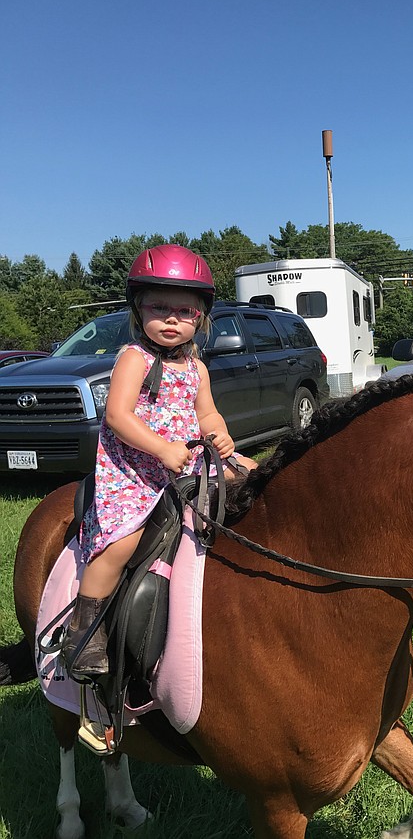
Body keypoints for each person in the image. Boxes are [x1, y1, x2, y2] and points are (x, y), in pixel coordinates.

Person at [62, 244, 256, 680]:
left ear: (200, 318)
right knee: (122, 542)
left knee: (254, 477)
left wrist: (219, 434)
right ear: (138, 309)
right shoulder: (134, 358)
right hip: (134, 469)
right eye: (160, 307)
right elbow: (117, 414)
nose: (172, 318)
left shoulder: (196, 368)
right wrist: (162, 449)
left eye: (184, 311)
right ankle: (84, 630)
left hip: (186, 456)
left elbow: (206, 413)